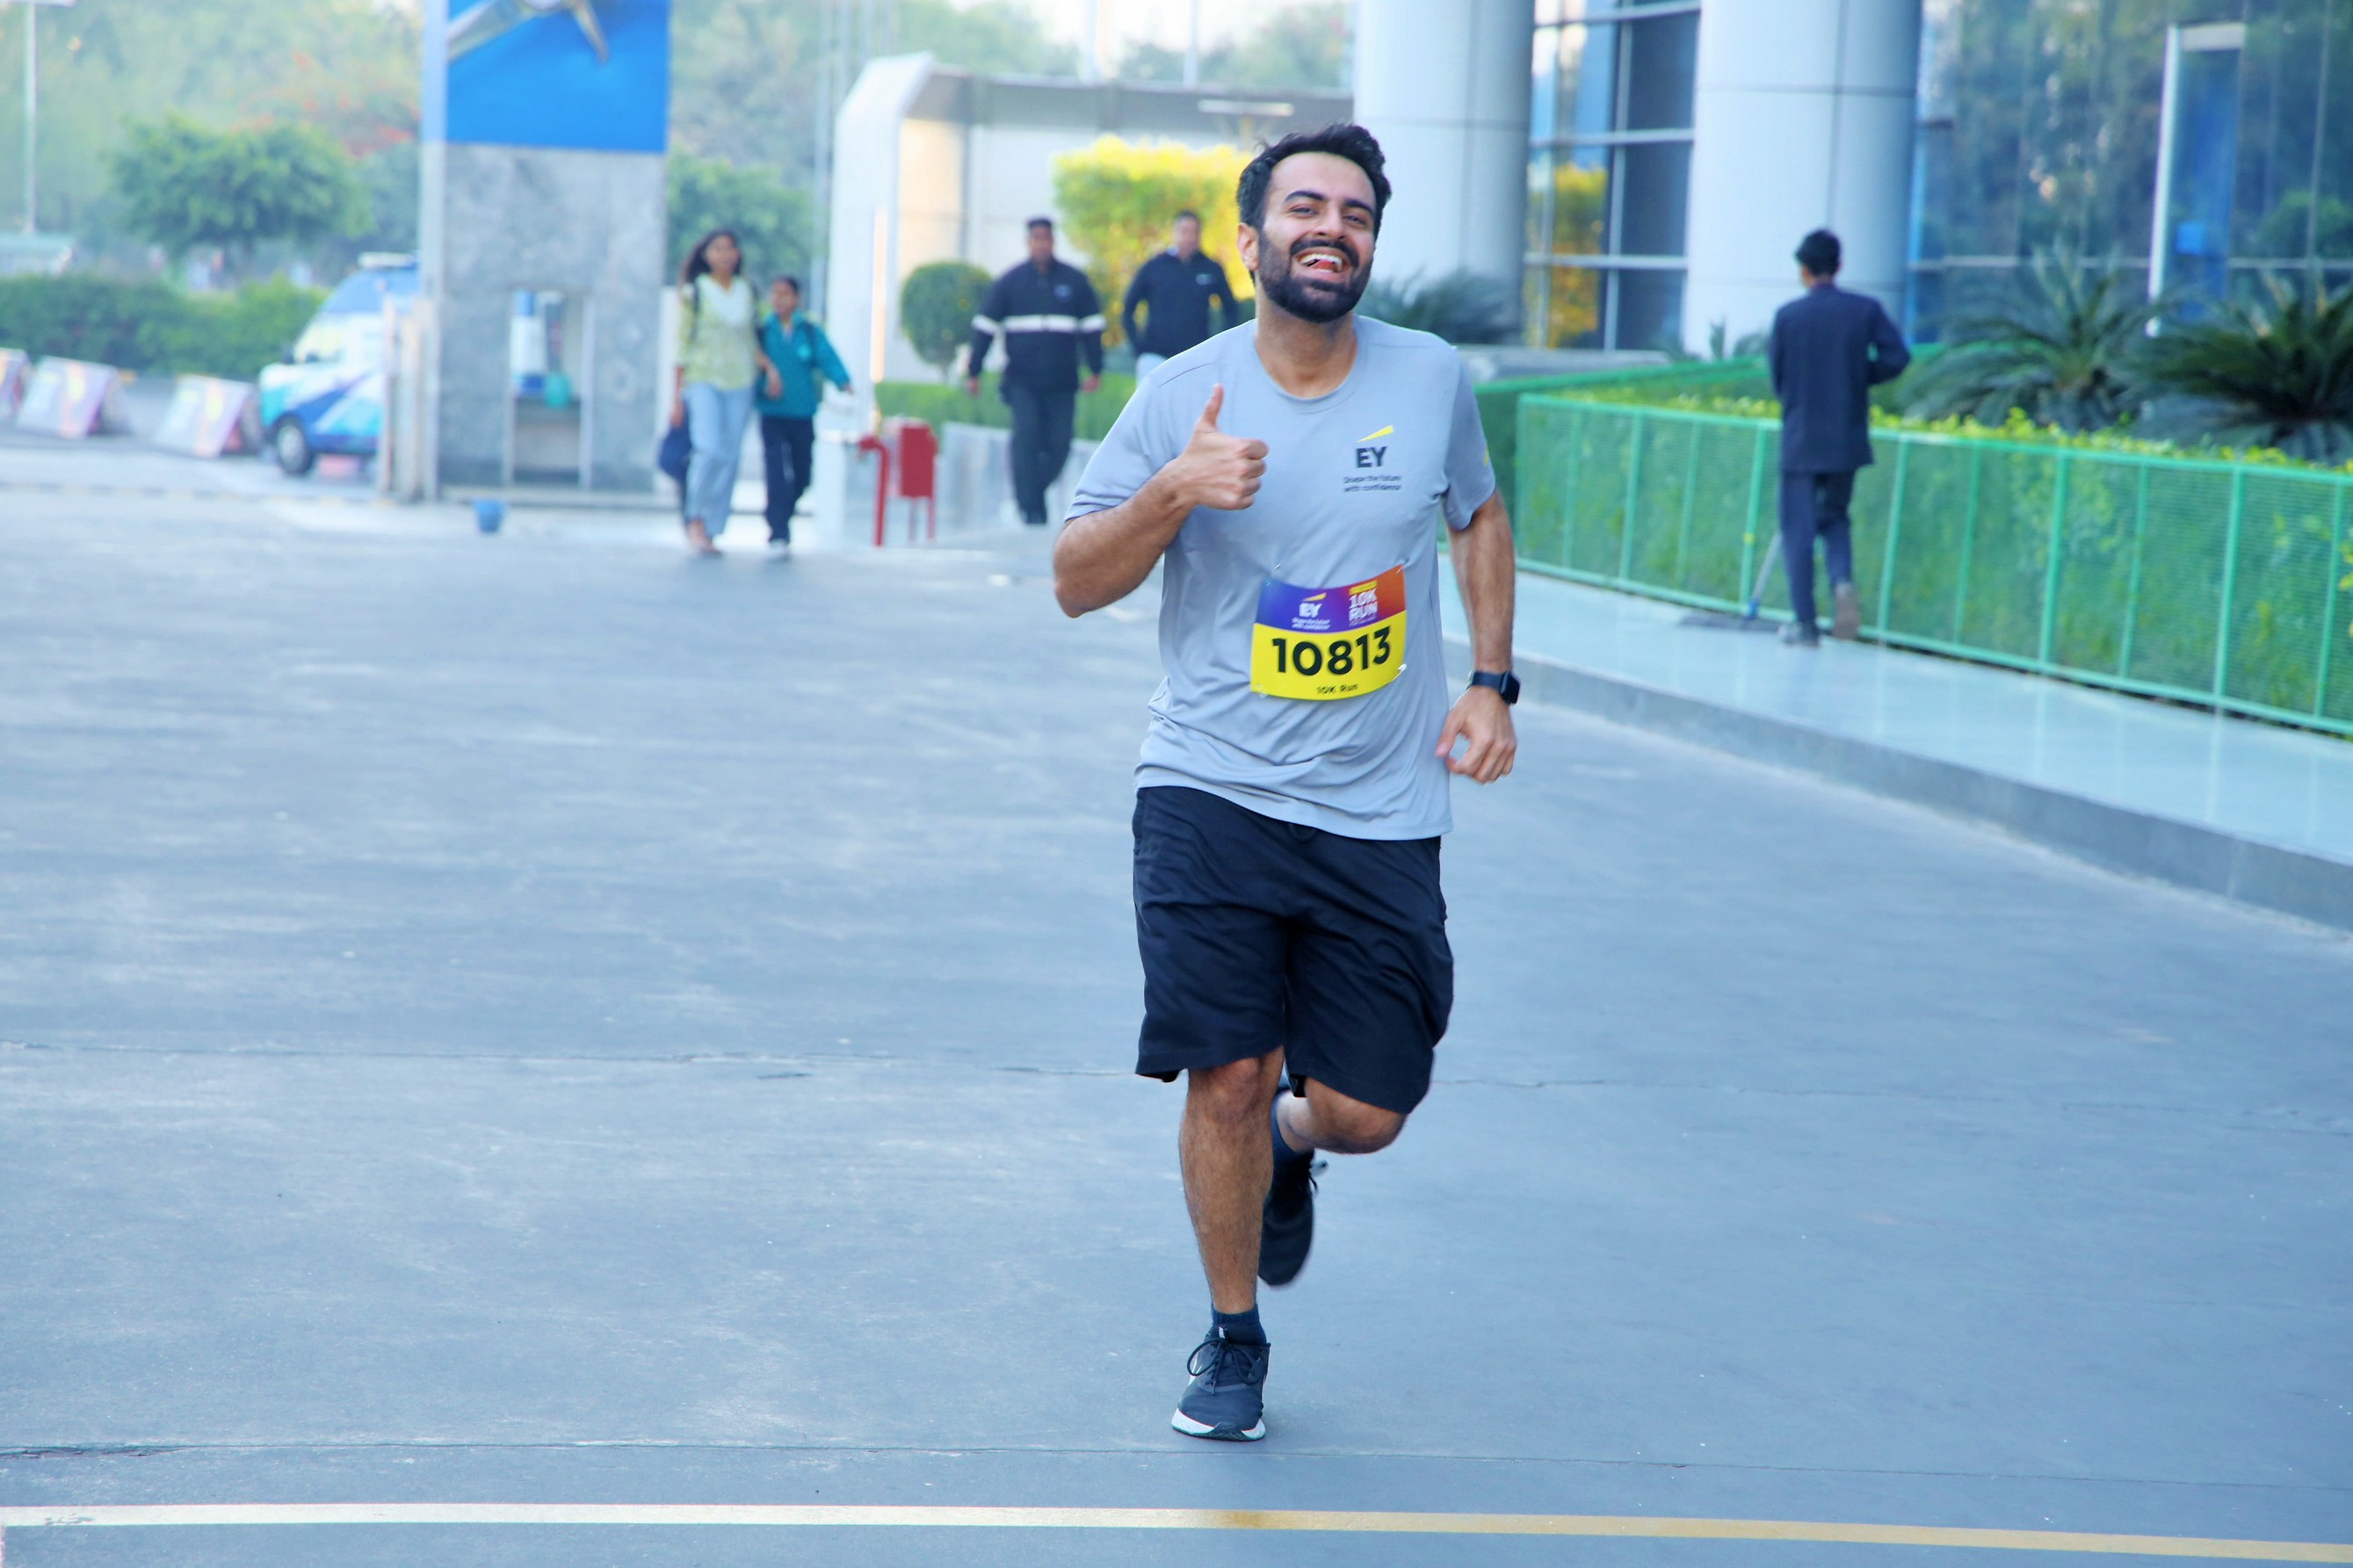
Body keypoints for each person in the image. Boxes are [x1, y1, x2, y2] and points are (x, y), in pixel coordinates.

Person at [1053, 123, 1520, 1444]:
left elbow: (1477, 514)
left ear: (1369, 245)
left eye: (1355, 213)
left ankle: (1294, 1146)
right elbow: (1074, 579)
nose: (1331, 228)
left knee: (1369, 1111)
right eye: (1305, 206)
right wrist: (1172, 494)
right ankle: (1232, 1333)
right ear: (1249, 239)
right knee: (1225, 1073)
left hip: (1379, 808)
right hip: (1209, 786)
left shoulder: (1428, 378)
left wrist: (1492, 680)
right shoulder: (1180, 393)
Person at [1767, 228, 1910, 644]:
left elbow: (1778, 378)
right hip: (1846, 439)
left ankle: (1805, 624)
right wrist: (1859, 376)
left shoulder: (1789, 317)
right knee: (1834, 518)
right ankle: (1842, 581)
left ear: (1804, 270)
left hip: (1801, 440)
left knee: (1798, 530)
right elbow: (1897, 357)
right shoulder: (1864, 310)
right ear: (1839, 265)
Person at [966, 218, 1104, 526]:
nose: (1041, 244)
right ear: (1028, 242)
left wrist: (1096, 368)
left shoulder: (1075, 282)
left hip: (1063, 383)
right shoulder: (1010, 283)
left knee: (1060, 445)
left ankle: (1031, 494)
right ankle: (1030, 510)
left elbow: (1092, 328)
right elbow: (985, 328)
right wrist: (974, 371)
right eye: (1036, 238)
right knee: (1026, 439)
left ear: (1053, 241)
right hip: (1022, 382)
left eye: (1046, 238)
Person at [672, 229, 781, 556]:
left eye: (730, 248)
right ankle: (695, 518)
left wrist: (769, 368)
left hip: (740, 381)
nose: (725, 255)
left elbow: (750, 339)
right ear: (706, 254)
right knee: (709, 449)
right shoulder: (695, 292)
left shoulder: (747, 291)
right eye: (717, 248)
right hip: (703, 378)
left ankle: (713, 526)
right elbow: (682, 345)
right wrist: (677, 396)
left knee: (731, 456)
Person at [754, 273, 852, 547]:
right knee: (775, 472)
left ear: (796, 298)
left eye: (785, 294)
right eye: (775, 293)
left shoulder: (808, 331)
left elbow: (826, 356)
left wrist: (843, 380)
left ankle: (781, 512)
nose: (779, 300)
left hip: (802, 413)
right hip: (772, 413)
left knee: (802, 474)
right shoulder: (763, 332)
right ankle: (778, 530)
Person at [1122, 211, 1239, 379]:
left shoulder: (1210, 268)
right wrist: (1138, 348)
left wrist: (1219, 347)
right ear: (1174, 233)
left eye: (1194, 232)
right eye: (1184, 231)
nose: (1189, 238)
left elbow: (1231, 308)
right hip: (1155, 357)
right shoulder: (1154, 267)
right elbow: (1128, 308)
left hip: (1196, 359)